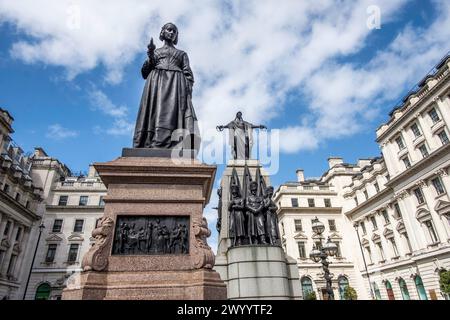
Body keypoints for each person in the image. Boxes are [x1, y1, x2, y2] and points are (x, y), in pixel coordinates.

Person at [133, 22, 199, 150]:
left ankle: (175, 142)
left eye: (174, 31)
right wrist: (151, 55)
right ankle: (150, 141)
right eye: (169, 30)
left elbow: (188, 74)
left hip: (176, 85)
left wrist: (185, 90)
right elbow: (144, 73)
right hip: (156, 84)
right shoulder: (155, 53)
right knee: (155, 112)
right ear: (162, 32)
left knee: (172, 114)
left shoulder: (182, 54)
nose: (172, 33)